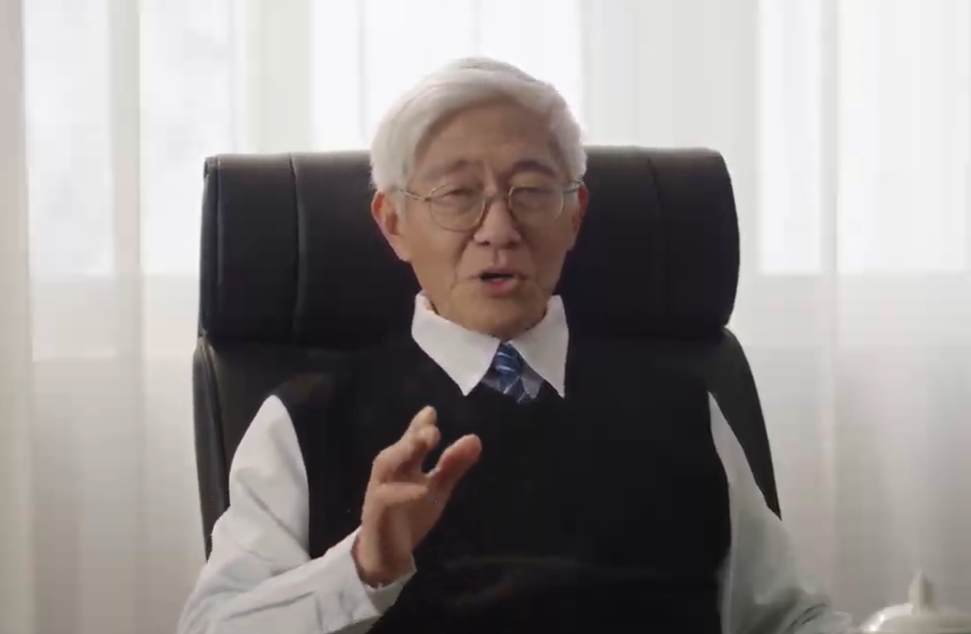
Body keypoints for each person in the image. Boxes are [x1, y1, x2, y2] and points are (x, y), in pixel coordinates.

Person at [177, 57, 856, 634]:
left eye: (530, 191)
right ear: (394, 223)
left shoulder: (681, 407)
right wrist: (363, 567)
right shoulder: (306, 420)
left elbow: (789, 618)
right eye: (457, 194)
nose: (498, 228)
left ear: (574, 215)